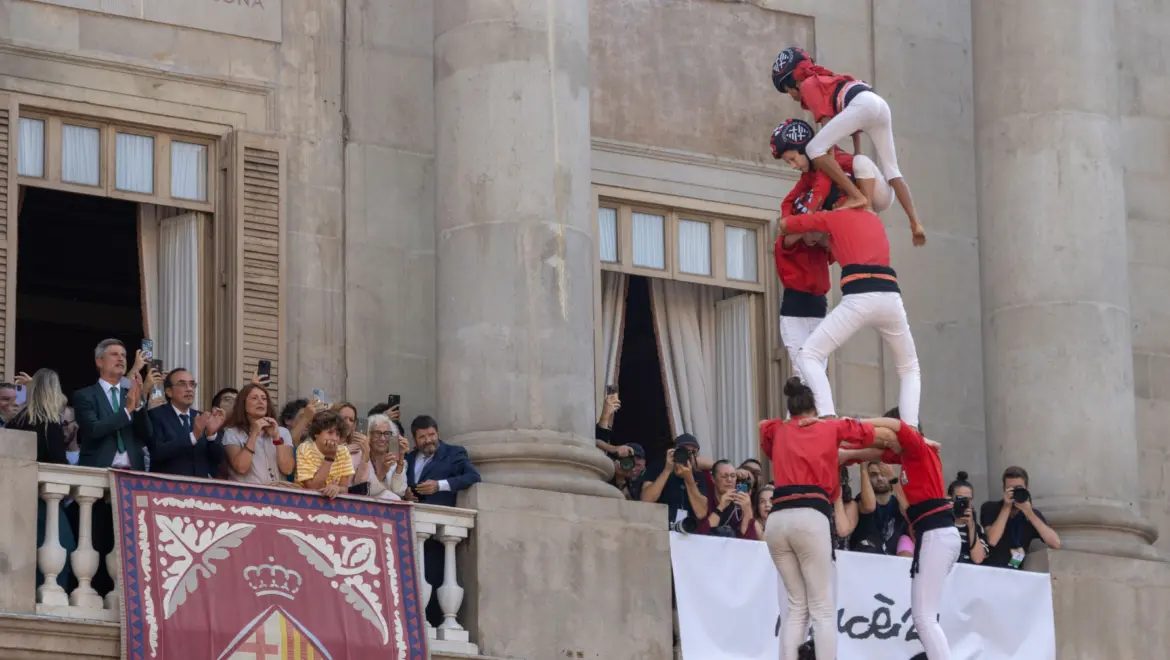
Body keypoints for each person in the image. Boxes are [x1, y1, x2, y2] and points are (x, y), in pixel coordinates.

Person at [759, 377, 885, 660]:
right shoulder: (830, 427)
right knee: (822, 609)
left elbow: (763, 428)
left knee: (795, 607)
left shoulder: (778, 429)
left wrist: (790, 424)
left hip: (777, 519)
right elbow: (868, 430)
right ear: (815, 409)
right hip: (810, 516)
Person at [779, 205, 922, 428]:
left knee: (809, 357)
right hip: (890, 294)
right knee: (909, 367)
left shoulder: (834, 218)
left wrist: (816, 214)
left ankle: (826, 416)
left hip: (857, 297)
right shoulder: (873, 219)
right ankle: (911, 428)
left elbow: (786, 224)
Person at [772, 47, 926, 245]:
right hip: (877, 104)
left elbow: (827, 127)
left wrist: (831, 167)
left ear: (793, 83)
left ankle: (857, 197)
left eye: (788, 91)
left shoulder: (809, 85)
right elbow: (854, 135)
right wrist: (856, 163)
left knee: (813, 149)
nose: (792, 96)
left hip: (862, 105)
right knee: (892, 169)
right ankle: (915, 223)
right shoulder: (828, 79)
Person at [868, 410, 957, 660]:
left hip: (937, 534)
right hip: (933, 534)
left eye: (887, 440)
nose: (886, 446)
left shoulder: (917, 448)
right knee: (924, 618)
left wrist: (852, 423)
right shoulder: (908, 461)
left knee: (925, 619)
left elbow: (895, 425)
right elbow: (909, 512)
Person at [8, 369, 76, 591]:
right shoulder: (50, 425)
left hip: (15, 496)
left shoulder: (16, 421)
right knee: (63, 547)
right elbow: (58, 462)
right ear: (53, 392)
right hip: (43, 500)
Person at [772, 117, 894, 215]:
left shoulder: (824, 157)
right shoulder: (809, 173)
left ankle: (867, 208)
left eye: (793, 159)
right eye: (789, 162)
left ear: (804, 149)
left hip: (880, 194)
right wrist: (785, 220)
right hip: (861, 194)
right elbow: (791, 197)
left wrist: (810, 213)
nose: (793, 166)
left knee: (860, 161)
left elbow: (822, 186)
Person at [73, 339, 154, 470]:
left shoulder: (131, 394)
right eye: (114, 354)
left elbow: (147, 434)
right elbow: (93, 429)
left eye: (123, 355)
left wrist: (138, 405)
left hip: (133, 473)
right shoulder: (84, 395)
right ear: (99, 362)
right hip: (99, 471)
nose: (121, 359)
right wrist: (127, 411)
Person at [147, 369, 226, 478]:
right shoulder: (155, 415)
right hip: (167, 489)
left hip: (199, 489)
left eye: (192, 384)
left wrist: (212, 436)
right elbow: (157, 453)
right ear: (169, 391)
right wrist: (193, 436)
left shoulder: (201, 417)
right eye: (182, 384)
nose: (189, 389)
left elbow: (217, 460)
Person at [980, 466, 1061, 569]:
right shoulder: (990, 508)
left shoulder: (1031, 514)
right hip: (993, 569)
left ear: (1026, 489)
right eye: (1010, 489)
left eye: (1019, 488)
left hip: (1018, 573)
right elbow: (992, 540)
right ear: (1004, 490)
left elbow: (1055, 543)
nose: (1015, 492)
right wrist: (1006, 507)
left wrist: (1030, 514)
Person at [221, 383, 295, 485]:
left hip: (277, 495)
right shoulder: (232, 433)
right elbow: (241, 467)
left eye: (264, 399)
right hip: (248, 496)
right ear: (243, 405)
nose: (260, 402)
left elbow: (287, 469)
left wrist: (277, 438)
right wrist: (254, 434)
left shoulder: (282, 432)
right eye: (254, 398)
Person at [404, 415, 482, 507]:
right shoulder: (408, 458)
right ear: (415, 440)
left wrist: (439, 485)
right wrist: (406, 493)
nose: (428, 440)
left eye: (431, 435)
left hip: (439, 517)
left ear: (438, 434)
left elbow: (474, 476)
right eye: (422, 437)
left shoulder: (453, 453)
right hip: (409, 515)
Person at [640, 434, 709, 529]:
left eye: (693, 452)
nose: (688, 456)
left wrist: (689, 479)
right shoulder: (658, 467)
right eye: (684, 451)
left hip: (687, 532)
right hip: (659, 528)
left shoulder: (698, 475)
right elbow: (646, 500)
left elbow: (701, 513)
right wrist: (667, 470)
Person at [295, 409, 355, 498]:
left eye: (337, 434)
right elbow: (312, 488)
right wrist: (329, 458)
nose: (334, 438)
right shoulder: (305, 449)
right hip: (303, 501)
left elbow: (344, 488)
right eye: (330, 432)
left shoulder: (343, 452)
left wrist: (337, 488)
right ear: (316, 434)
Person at [698, 460, 758, 539]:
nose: (729, 480)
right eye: (724, 476)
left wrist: (747, 510)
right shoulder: (706, 498)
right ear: (713, 479)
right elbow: (702, 535)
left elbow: (749, 540)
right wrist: (721, 507)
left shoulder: (740, 503)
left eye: (733, 476)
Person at [366, 413, 409, 501]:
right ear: (369, 436)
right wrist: (383, 471)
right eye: (377, 433)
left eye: (387, 434)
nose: (382, 438)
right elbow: (367, 492)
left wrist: (400, 461)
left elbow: (399, 491)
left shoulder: (394, 461)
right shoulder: (363, 459)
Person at [948, 471, 987, 565]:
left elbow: (978, 559)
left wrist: (971, 527)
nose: (963, 503)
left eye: (967, 500)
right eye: (959, 499)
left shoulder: (977, 528)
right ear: (950, 499)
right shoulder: (941, 524)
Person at [333, 402, 371, 495]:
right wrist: (342, 452)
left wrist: (365, 457)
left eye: (351, 420)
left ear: (354, 425)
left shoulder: (358, 451)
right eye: (343, 418)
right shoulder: (322, 445)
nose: (347, 423)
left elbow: (360, 486)